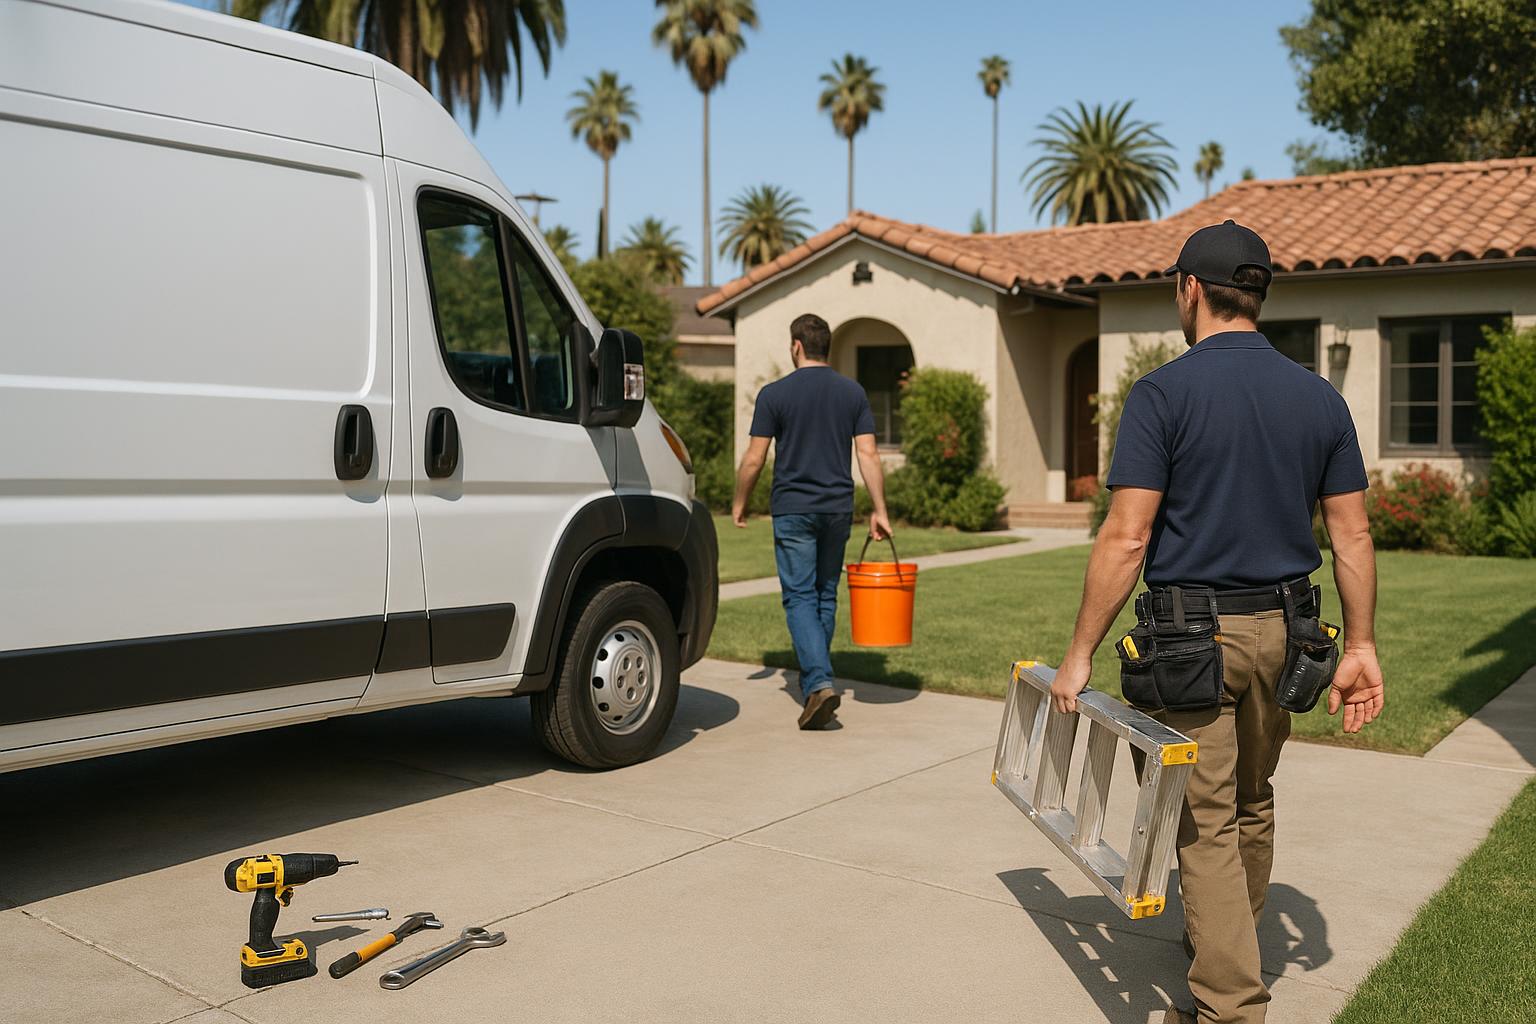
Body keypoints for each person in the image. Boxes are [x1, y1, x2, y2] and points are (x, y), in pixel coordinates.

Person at [1047, 221, 1385, 1024]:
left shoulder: (1163, 393)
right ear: (1257, 293)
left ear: (1190, 290)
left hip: (1191, 639)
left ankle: (1230, 1005)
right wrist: (1362, 645)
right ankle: (1224, 939)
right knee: (1251, 798)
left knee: (1202, 821)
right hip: (1292, 636)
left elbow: (1127, 536)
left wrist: (1078, 652)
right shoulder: (1319, 397)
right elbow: (1353, 534)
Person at [732, 313, 893, 730]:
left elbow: (754, 457)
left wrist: (739, 502)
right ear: (828, 347)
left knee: (799, 596)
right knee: (825, 594)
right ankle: (817, 682)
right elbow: (869, 455)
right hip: (838, 508)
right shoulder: (852, 392)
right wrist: (880, 509)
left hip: (793, 509)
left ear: (796, 346)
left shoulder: (775, 394)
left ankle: (819, 683)